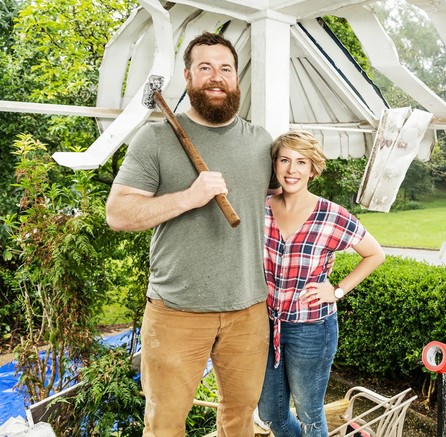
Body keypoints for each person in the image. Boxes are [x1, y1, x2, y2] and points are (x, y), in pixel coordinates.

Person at [105, 32, 275, 437]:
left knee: (240, 420)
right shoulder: (156, 138)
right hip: (176, 311)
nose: (216, 77)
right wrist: (189, 197)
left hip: (248, 310)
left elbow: (282, 199)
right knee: (165, 424)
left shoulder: (260, 142)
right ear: (187, 76)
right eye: (205, 68)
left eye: (225, 69)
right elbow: (118, 213)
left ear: (236, 78)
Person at [257, 130, 385, 437]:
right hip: (266, 325)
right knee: (270, 413)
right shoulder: (260, 208)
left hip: (311, 328)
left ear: (313, 169)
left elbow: (375, 254)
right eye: (285, 160)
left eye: (301, 162)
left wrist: (336, 290)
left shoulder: (332, 215)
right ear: (275, 165)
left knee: (309, 413)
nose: (292, 170)